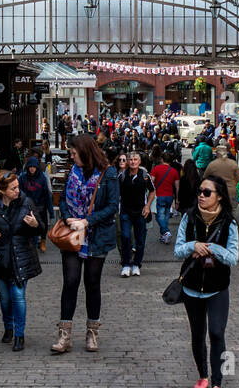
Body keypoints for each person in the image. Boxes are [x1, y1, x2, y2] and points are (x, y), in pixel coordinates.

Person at [51, 134, 119, 355]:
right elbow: (62, 199)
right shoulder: (73, 171)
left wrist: (87, 221)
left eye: (73, 153)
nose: (71, 157)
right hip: (72, 235)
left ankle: (92, 332)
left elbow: (112, 206)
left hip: (96, 235)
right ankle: (64, 334)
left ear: (85, 151)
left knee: (92, 283)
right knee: (70, 282)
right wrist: (69, 217)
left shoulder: (108, 173)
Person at [174, 173, 239, 388]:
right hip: (192, 287)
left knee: (217, 333)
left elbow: (233, 257)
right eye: (199, 192)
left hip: (218, 287)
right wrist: (193, 245)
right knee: (197, 334)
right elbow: (178, 249)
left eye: (207, 192)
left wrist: (212, 249)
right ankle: (202, 374)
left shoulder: (228, 222)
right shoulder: (189, 218)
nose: (201, 196)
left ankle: (218, 383)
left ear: (219, 197)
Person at [0, 170, 42, 351]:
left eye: (18, 187)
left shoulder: (26, 203)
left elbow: (41, 227)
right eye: (13, 188)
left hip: (20, 256)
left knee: (18, 296)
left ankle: (19, 335)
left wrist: (35, 225)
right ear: (2, 190)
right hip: (0, 258)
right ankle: (8, 327)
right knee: (5, 298)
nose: (18, 190)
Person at [118, 151, 154, 277]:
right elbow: (116, 192)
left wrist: (148, 206)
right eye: (131, 159)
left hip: (140, 212)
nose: (133, 162)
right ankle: (126, 264)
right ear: (128, 161)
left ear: (139, 161)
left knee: (140, 240)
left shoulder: (144, 175)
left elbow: (152, 191)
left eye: (135, 159)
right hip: (126, 211)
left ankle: (136, 264)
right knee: (126, 237)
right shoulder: (122, 176)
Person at [18, 155, 55, 252]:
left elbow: (47, 194)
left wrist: (51, 211)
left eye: (34, 167)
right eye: (30, 167)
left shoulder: (42, 177)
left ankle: (43, 240)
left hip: (40, 205)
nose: (32, 169)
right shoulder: (23, 177)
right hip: (27, 205)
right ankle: (31, 243)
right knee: (29, 225)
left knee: (43, 225)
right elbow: (19, 192)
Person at [150, 148, 179, 244]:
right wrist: (177, 199)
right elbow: (177, 187)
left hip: (159, 195)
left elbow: (151, 182)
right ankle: (164, 236)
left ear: (162, 159)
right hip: (169, 196)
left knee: (159, 216)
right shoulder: (174, 171)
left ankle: (166, 232)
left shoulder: (156, 169)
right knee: (165, 216)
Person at [203, 144, 239, 209]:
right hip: (231, 191)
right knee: (230, 212)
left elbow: (205, 177)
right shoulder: (233, 163)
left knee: (218, 212)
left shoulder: (212, 164)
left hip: (217, 192)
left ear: (217, 153)